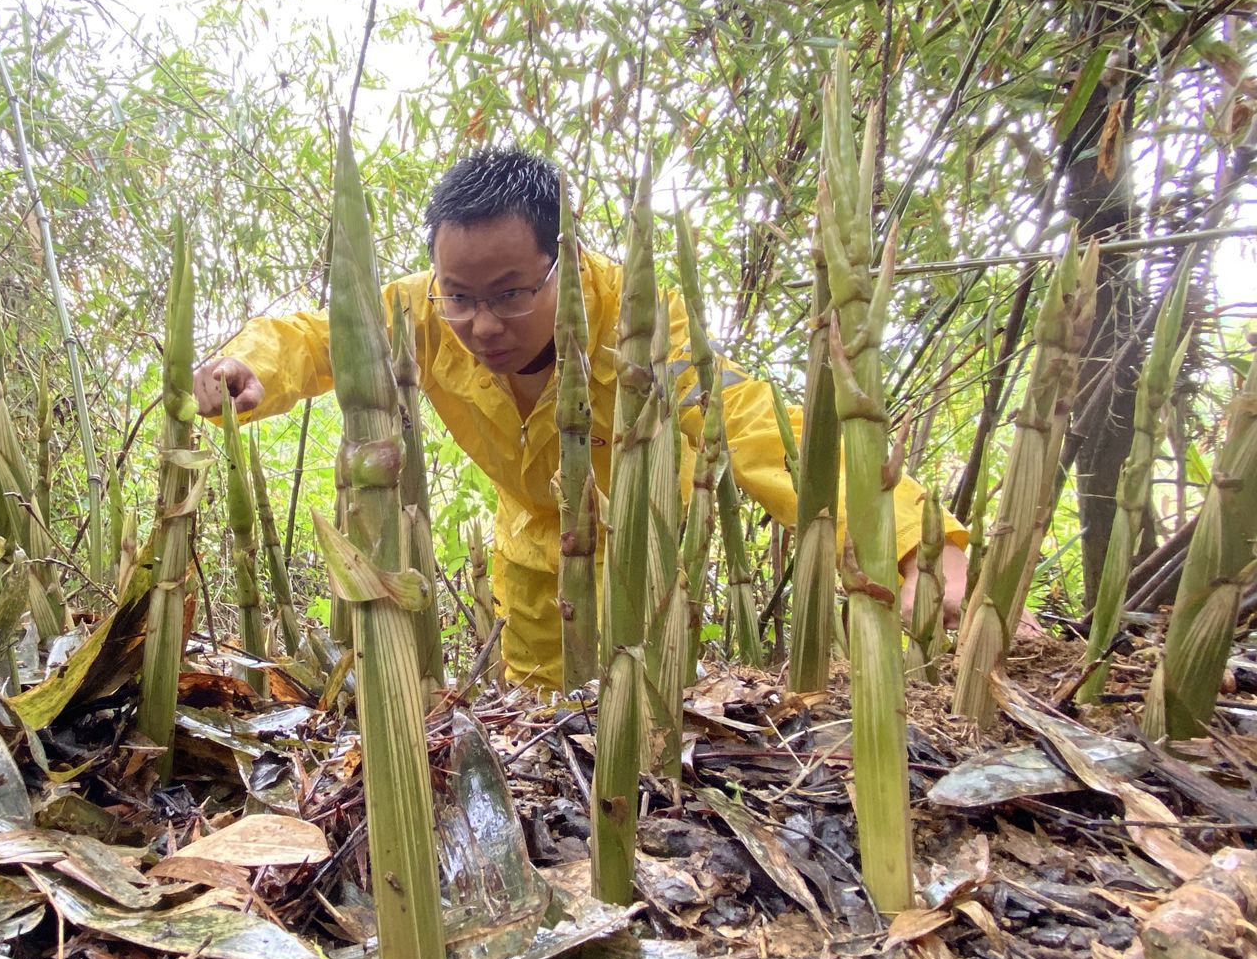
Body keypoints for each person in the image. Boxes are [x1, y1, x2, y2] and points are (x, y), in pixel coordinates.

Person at [194, 147, 969, 690]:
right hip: (531, 549)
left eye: (510, 293)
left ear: (560, 261)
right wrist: (248, 363)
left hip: (639, 552)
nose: (482, 323)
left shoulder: (636, 323)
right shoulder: (418, 312)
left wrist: (907, 545)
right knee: (544, 720)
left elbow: (756, 424)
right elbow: (322, 333)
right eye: (459, 295)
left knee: (644, 705)